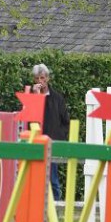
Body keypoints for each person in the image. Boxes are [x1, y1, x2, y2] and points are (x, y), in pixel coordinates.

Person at [31, 63, 70, 198]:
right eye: (37, 78)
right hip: (36, 143)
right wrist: (36, 96)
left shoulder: (57, 98)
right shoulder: (31, 96)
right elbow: (29, 116)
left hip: (52, 143)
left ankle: (56, 206)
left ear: (47, 78)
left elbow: (66, 121)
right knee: (35, 179)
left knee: (53, 179)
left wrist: (59, 138)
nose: (40, 81)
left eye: (42, 78)